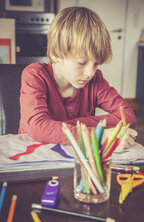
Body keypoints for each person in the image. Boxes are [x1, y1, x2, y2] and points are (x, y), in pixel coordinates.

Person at [19, 6, 137, 148]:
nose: (90, 73)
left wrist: (57, 127)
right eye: (82, 63)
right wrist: (100, 135)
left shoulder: (95, 80)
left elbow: (127, 116)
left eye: (96, 64)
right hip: (32, 157)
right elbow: (37, 127)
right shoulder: (34, 75)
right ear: (56, 54)